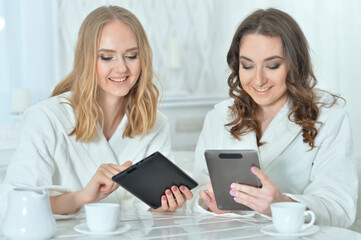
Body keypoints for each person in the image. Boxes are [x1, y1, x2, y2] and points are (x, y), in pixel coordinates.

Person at [0, 6, 193, 217]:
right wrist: (84, 196)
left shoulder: (155, 123)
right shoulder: (46, 119)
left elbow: (155, 211)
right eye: (106, 57)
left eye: (131, 55)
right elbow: (14, 204)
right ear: (87, 59)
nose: (121, 68)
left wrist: (163, 205)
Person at [190, 8, 357, 228]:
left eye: (272, 66)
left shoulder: (330, 119)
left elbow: (340, 209)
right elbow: (197, 195)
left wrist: (281, 203)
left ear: (293, 64)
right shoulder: (219, 117)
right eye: (247, 66)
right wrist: (207, 203)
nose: (258, 80)